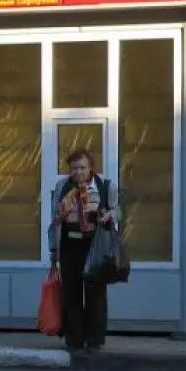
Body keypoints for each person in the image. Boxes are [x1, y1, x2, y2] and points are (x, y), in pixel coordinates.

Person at [47, 149, 120, 352]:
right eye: (74, 168)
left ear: (90, 168)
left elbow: (118, 211)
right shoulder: (62, 187)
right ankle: (74, 340)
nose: (78, 172)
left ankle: (94, 341)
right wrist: (53, 248)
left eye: (82, 168)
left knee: (96, 294)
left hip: (94, 247)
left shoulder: (105, 186)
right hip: (69, 246)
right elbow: (54, 219)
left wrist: (109, 216)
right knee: (71, 294)